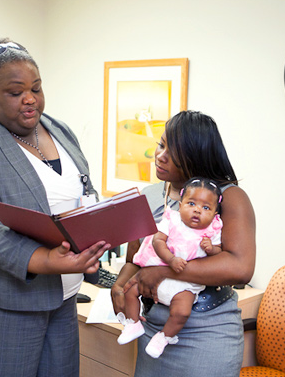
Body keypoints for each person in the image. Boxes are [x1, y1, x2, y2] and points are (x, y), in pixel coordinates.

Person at [0, 38, 110, 377]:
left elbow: (82, 192)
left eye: (36, 88)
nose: (30, 99)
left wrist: (102, 227)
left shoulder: (59, 130)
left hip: (62, 298)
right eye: (15, 92)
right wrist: (43, 259)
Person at [110, 110, 257, 376]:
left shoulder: (229, 197)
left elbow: (240, 267)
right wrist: (120, 285)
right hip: (153, 326)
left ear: (197, 155)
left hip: (206, 331)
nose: (160, 155)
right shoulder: (150, 194)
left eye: (173, 151)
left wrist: (165, 271)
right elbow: (136, 259)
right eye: (161, 144)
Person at [115, 177, 225, 358]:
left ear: (214, 213)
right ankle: (133, 324)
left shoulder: (212, 231)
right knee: (130, 291)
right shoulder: (171, 219)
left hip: (185, 283)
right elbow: (158, 241)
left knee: (182, 312)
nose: (197, 210)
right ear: (180, 204)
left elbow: (219, 254)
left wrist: (211, 248)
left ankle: (164, 337)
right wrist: (172, 260)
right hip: (159, 272)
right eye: (191, 203)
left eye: (206, 208)